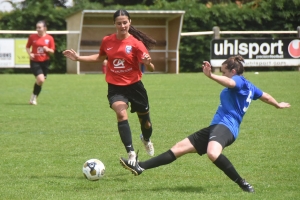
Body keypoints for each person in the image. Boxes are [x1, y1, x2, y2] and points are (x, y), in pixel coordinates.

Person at [120, 55, 291, 193]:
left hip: (226, 127)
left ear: (233, 71)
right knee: (179, 148)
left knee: (212, 153)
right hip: (216, 127)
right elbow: (266, 96)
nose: (223, 75)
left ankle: (242, 183)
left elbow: (231, 82)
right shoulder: (250, 86)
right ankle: (140, 166)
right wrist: (277, 104)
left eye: (224, 72)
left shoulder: (238, 81)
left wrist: (211, 76)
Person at [63, 9, 157, 164]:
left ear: (129, 22)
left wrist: (148, 63)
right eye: (119, 23)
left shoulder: (136, 44)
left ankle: (146, 139)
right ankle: (131, 152)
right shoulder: (107, 41)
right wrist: (78, 58)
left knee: (146, 123)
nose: (122, 25)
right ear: (114, 24)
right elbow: (100, 57)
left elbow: (151, 68)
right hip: (115, 87)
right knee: (121, 113)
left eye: (125, 22)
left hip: (135, 87)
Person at [26, 20, 55, 105]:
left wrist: (48, 49)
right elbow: (28, 47)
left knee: (41, 81)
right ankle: (34, 98)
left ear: (45, 28)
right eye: (37, 27)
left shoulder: (49, 38)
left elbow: (52, 51)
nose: (37, 29)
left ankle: (33, 97)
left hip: (45, 62)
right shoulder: (32, 37)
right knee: (40, 79)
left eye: (39, 27)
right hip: (35, 62)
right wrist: (30, 53)